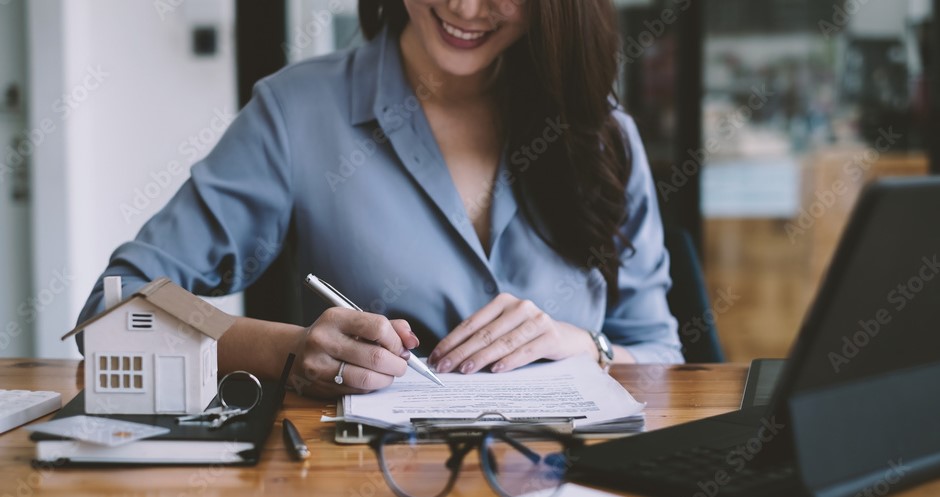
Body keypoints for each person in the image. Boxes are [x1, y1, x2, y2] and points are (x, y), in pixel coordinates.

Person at [76, 0, 683, 398]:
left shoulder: (600, 134)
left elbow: (664, 359)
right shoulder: (297, 114)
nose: (466, 8)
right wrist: (288, 350)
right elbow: (112, 314)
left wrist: (589, 346)